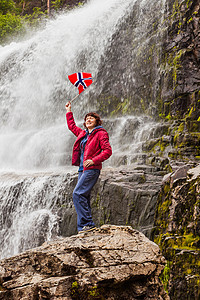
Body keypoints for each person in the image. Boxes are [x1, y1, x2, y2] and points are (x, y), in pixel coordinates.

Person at [65, 101, 112, 233]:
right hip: (82, 169)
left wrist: (93, 160)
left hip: (92, 169)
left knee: (77, 194)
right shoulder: (83, 133)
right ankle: (83, 228)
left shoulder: (101, 133)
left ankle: (88, 224)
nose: (88, 119)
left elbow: (107, 151)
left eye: (91, 118)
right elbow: (72, 126)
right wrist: (69, 110)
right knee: (83, 196)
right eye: (86, 118)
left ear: (97, 121)